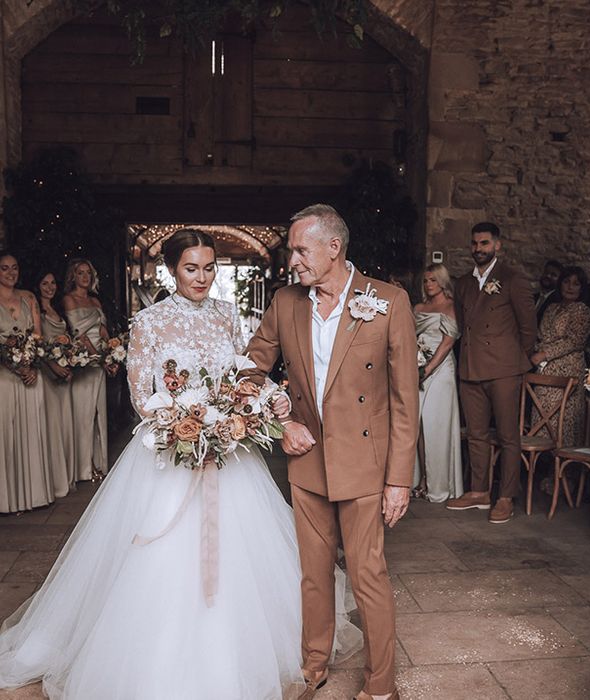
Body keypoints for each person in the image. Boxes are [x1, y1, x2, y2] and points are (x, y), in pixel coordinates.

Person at [0, 229, 361, 699]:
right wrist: (184, 422)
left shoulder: (227, 314)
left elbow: (242, 372)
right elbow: (139, 395)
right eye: (192, 268)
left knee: (244, 559)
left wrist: (254, 404)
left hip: (226, 454)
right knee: (157, 562)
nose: (202, 278)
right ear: (173, 269)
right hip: (170, 455)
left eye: (209, 268)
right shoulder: (150, 321)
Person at [245, 204, 418, 700]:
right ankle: (312, 667)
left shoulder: (388, 301)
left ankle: (381, 685)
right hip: (307, 464)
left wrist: (399, 479)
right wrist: (281, 419)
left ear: (333, 248)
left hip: (366, 465)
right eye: (291, 250)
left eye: (300, 249)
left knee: (368, 576)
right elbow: (249, 370)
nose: (292, 260)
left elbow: (406, 399)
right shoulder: (284, 302)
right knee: (313, 576)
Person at [446, 222, 537, 524]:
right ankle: (479, 491)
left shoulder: (514, 279)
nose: (478, 249)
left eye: (484, 243)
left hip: (504, 370)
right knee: (476, 434)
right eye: (474, 244)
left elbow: (528, 328)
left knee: (509, 435)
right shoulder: (462, 283)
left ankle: (506, 496)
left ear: (497, 245)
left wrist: (514, 360)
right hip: (470, 367)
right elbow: (463, 323)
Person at [0, 252, 55, 513]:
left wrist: (30, 364)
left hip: (31, 373)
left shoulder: (29, 297)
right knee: (6, 435)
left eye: (14, 267)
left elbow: (37, 336)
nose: (11, 273)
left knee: (32, 430)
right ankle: (7, 499)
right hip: (4, 378)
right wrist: (12, 362)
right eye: (4, 268)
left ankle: (33, 496)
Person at [411, 263, 463, 503]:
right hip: (419, 367)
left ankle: (438, 484)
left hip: (441, 371)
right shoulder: (419, 308)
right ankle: (422, 479)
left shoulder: (452, 307)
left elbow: (447, 343)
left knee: (436, 426)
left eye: (433, 280)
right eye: (425, 281)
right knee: (419, 425)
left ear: (442, 281)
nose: (428, 284)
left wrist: (428, 369)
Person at [529, 266, 590, 447]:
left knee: (563, 424)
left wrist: (544, 354)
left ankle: (563, 469)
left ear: (582, 288)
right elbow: (540, 335)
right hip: (544, 372)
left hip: (567, 371)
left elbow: (575, 341)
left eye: (576, 284)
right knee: (542, 423)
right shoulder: (551, 307)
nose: (570, 287)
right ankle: (542, 463)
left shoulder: (582, 310)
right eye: (566, 282)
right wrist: (536, 351)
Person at [62, 259, 111, 481]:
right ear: (73, 276)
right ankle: (84, 467)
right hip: (85, 362)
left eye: (88, 273)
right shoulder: (69, 299)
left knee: (98, 415)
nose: (85, 277)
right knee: (83, 415)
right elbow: (78, 332)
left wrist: (111, 353)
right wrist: (96, 355)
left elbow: (102, 330)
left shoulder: (95, 300)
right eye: (80, 273)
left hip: (99, 363)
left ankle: (99, 463)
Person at [35, 270, 76, 497]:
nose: (49, 287)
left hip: (65, 373)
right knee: (51, 426)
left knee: (64, 425)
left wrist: (70, 362)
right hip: (48, 373)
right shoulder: (36, 312)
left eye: (52, 283)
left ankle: (65, 477)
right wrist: (54, 367)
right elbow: (39, 345)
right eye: (44, 283)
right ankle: (53, 481)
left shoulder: (58, 310)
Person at [534, 259, 563, 323]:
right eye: (546, 272)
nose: (548, 276)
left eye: (553, 275)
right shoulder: (532, 298)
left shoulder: (558, 303)